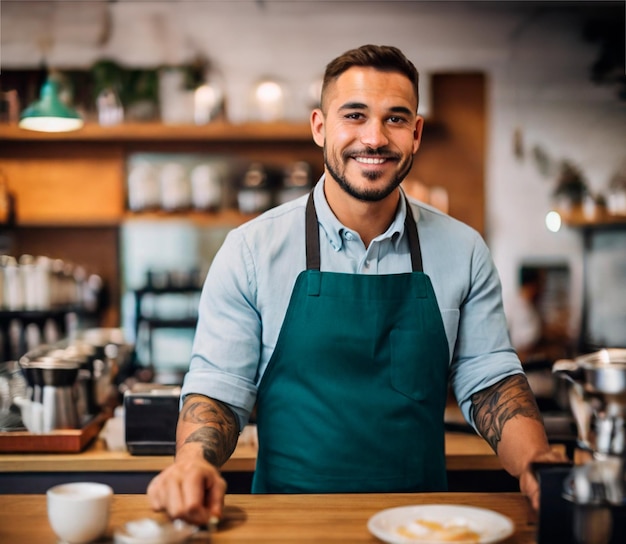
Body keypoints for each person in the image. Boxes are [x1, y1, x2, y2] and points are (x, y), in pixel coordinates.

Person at [147, 44, 563, 525]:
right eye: (355, 115)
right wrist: (192, 463)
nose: (374, 137)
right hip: (287, 525)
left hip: (423, 526)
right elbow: (219, 391)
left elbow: (490, 383)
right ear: (320, 127)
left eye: (395, 119)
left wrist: (535, 461)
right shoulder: (250, 251)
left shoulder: (463, 250)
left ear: (416, 133)